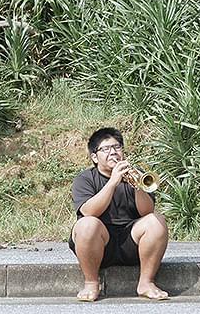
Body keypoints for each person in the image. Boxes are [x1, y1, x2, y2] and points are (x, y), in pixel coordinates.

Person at [68, 127, 169, 302]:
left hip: (131, 242)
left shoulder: (135, 174)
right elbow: (88, 211)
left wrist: (138, 186)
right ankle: (91, 283)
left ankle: (146, 283)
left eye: (117, 147)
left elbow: (147, 212)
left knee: (156, 221)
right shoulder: (85, 179)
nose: (113, 152)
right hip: (99, 243)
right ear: (94, 157)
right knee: (87, 224)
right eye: (106, 149)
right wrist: (113, 181)